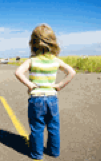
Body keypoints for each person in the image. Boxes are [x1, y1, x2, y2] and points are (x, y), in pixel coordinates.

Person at [15, 23, 76, 160]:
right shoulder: (55, 60)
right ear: (53, 42)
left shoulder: (32, 60)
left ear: (33, 43)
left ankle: (37, 154)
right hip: (52, 98)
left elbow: (18, 72)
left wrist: (30, 85)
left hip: (36, 99)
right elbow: (71, 72)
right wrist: (59, 85)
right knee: (53, 127)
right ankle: (54, 152)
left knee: (37, 127)